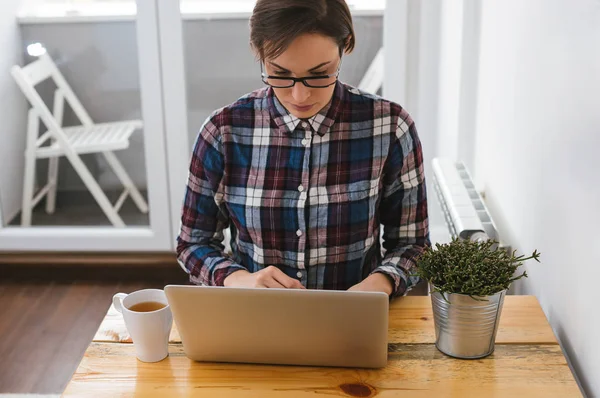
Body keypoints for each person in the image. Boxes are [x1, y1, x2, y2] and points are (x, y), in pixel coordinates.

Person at [176, 0, 430, 298]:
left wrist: (381, 283)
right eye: (280, 74)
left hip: (354, 322)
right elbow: (193, 244)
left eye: (320, 73)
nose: (300, 95)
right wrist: (238, 279)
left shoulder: (390, 127)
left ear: (345, 45)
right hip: (254, 318)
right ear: (258, 51)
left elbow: (414, 245)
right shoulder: (222, 132)